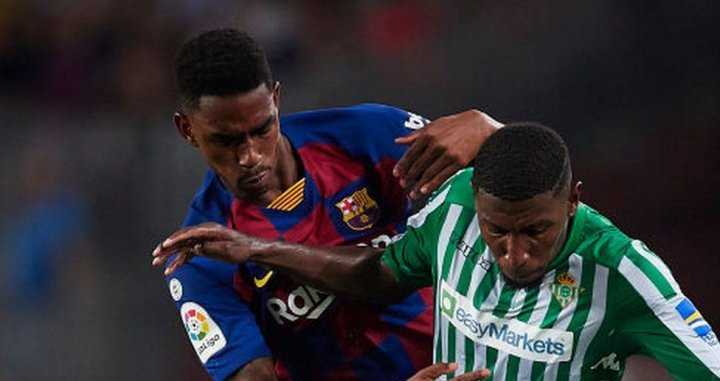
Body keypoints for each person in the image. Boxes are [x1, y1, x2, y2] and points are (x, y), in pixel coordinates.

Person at [155, 123, 720, 380]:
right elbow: (379, 273)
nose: (514, 255)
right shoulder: (452, 208)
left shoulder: (623, 269)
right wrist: (258, 248)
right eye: (497, 231)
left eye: (536, 233)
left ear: (573, 202)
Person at [159, 28, 502, 381]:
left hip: (472, 367)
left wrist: (490, 132)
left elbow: (533, 196)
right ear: (187, 130)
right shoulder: (199, 257)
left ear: (276, 100)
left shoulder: (368, 135)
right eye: (226, 140)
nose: (251, 156)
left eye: (262, 129)